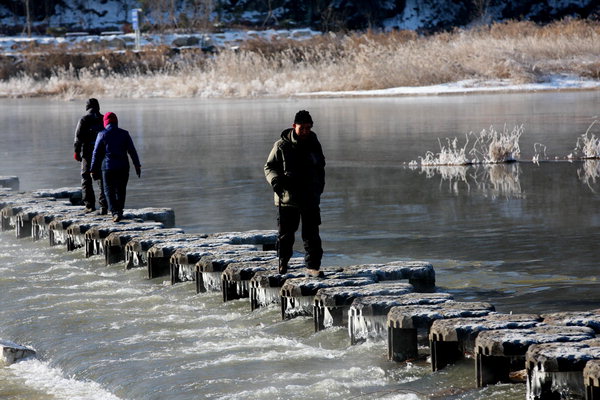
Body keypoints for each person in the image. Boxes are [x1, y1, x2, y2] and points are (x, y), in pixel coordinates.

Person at [264, 110, 326, 277]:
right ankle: (283, 263)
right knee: (285, 236)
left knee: (312, 235)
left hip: (310, 198)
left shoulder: (314, 144)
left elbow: (320, 167)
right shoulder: (281, 145)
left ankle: (313, 267)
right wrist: (275, 180)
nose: (306, 131)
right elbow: (269, 167)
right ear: (294, 126)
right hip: (287, 199)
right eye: (302, 128)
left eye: (308, 127)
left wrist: (319, 187)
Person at [90, 112, 141, 222]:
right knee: (121, 190)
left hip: (108, 168)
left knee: (109, 190)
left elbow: (96, 153)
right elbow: (132, 151)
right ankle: (120, 210)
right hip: (123, 167)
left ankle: (114, 212)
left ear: (105, 122)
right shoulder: (124, 134)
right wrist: (137, 165)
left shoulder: (102, 134)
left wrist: (93, 169)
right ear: (116, 121)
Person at [73, 98, 107, 214]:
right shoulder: (104, 118)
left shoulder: (84, 119)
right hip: (102, 152)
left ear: (87, 107)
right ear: (98, 107)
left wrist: (76, 152)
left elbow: (78, 137)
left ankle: (89, 205)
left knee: (86, 178)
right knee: (102, 178)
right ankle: (104, 206)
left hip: (88, 152)